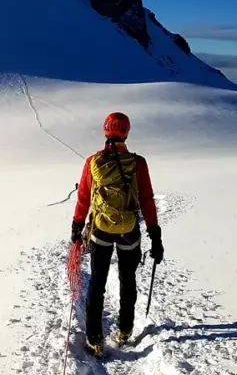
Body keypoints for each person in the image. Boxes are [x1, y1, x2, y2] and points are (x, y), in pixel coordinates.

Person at [70, 112, 164, 356]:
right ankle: (124, 330)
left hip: (101, 229)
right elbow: (146, 199)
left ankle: (94, 339)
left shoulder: (93, 162)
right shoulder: (138, 163)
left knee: (97, 282)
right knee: (127, 279)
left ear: (105, 131)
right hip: (129, 231)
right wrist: (155, 233)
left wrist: (77, 226)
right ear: (127, 133)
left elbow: (84, 198)